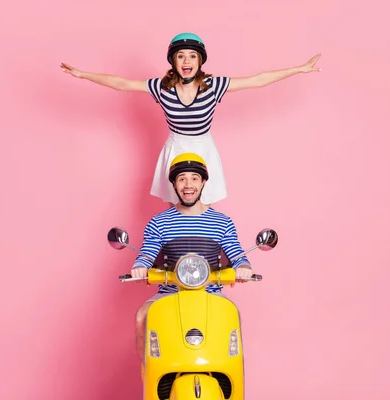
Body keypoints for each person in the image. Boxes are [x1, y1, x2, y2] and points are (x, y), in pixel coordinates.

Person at [61, 32, 321, 205]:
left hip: (203, 147)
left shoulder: (213, 84)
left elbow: (258, 80)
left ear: (199, 61)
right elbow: (121, 83)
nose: (187, 60)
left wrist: (299, 69)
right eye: (181, 56)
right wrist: (84, 75)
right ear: (174, 61)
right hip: (176, 147)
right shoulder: (161, 86)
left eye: (192, 56)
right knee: (180, 204)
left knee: (203, 204)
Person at [128, 152, 253, 362]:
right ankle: (149, 374)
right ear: (175, 185)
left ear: (203, 182)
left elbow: (237, 254)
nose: (188, 184)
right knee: (142, 316)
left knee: (234, 316)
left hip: (211, 294)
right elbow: (147, 253)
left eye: (194, 178)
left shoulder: (222, 222)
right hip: (169, 293)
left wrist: (244, 267)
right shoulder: (159, 223)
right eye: (182, 178)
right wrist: (140, 266)